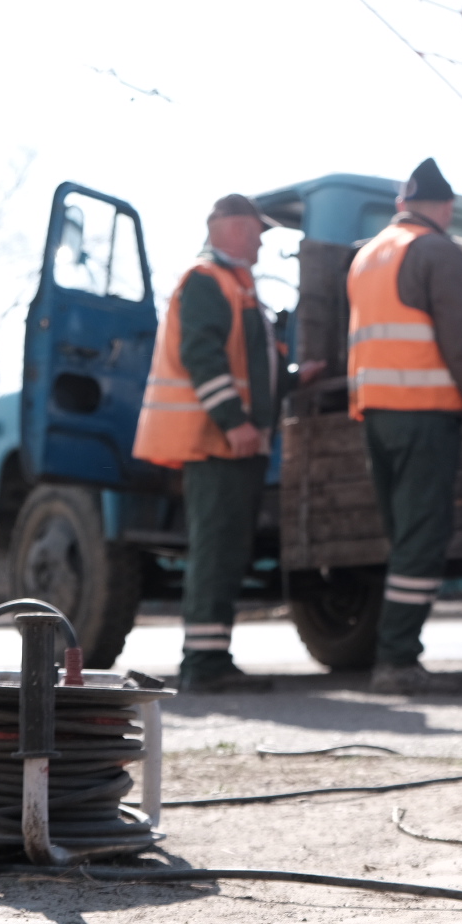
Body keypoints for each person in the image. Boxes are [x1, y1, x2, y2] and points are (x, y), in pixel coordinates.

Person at [346, 158, 462, 694]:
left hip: (376, 413)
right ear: (444, 208)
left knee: (403, 535)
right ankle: (395, 661)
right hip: (424, 412)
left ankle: (394, 653)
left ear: (402, 204)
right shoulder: (437, 250)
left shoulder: (367, 256)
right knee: (422, 537)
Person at [133, 193, 283, 693]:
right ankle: (202, 662)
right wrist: (234, 421)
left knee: (226, 548)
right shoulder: (206, 281)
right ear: (232, 227)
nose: (261, 242)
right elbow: (204, 358)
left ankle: (213, 654)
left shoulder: (236, 286)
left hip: (232, 442)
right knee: (216, 548)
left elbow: (251, 368)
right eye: (257, 232)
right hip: (217, 442)